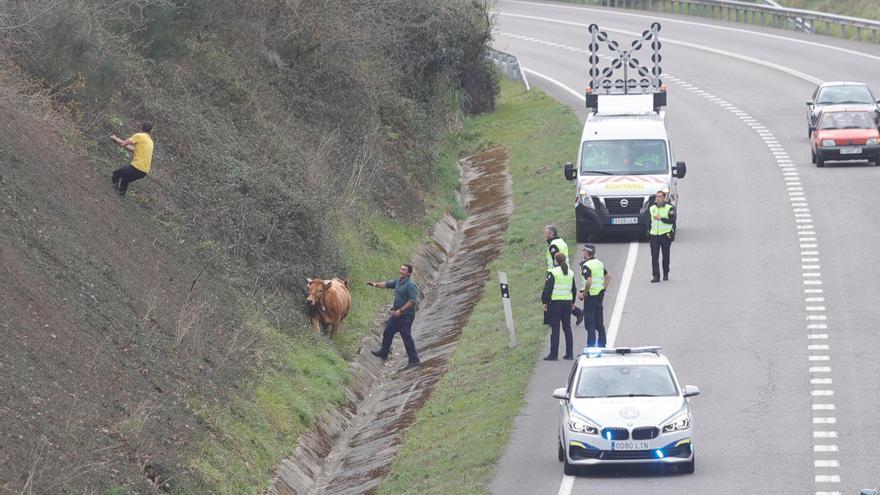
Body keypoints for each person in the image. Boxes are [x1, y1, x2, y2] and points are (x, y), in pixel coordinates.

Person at [367, 263, 421, 369]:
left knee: (406, 337)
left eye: (404, 270)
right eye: (401, 269)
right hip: (396, 314)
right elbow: (386, 284)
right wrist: (374, 284)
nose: (401, 271)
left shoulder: (410, 285)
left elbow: (412, 301)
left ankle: (414, 360)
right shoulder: (398, 282)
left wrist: (401, 311)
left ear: (409, 273)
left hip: (406, 316)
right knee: (388, 331)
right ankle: (384, 352)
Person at [542, 225, 583, 325]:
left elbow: (556, 260)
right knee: (563, 296)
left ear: (551, 233)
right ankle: (577, 313)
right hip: (565, 271)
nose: (544, 234)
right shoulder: (561, 241)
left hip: (557, 273)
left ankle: (551, 321)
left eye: (546, 232)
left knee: (550, 295)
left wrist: (552, 274)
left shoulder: (553, 245)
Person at [541, 252, 577, 361]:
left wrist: (545, 302)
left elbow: (548, 289)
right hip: (567, 302)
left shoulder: (553, 272)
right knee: (567, 328)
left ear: (555, 260)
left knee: (555, 329)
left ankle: (554, 354)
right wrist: (573, 301)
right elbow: (573, 289)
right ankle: (569, 354)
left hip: (555, 303)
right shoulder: (570, 272)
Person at [578, 244, 610, 348]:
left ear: (587, 253)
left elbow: (589, 281)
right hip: (599, 296)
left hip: (590, 297)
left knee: (590, 323)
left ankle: (591, 346)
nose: (582, 253)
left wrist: (584, 293)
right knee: (599, 322)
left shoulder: (586, 266)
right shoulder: (599, 263)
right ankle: (602, 345)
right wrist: (603, 289)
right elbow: (608, 277)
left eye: (583, 251)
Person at [110, 121, 154, 196]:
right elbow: (133, 150)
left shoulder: (140, 136)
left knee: (116, 173)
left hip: (137, 167)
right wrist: (119, 142)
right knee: (125, 180)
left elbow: (124, 143)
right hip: (144, 172)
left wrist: (115, 138)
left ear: (141, 127)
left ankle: (111, 192)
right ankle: (120, 196)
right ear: (151, 131)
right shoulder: (150, 141)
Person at [647, 188, 676, 283]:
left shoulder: (669, 208)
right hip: (654, 235)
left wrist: (661, 218)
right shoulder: (652, 208)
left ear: (664, 198)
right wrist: (648, 233)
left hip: (665, 235)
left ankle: (666, 273)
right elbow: (649, 221)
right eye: (657, 196)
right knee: (654, 257)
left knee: (666, 255)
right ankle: (656, 276)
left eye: (660, 197)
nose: (658, 198)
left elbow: (672, 221)